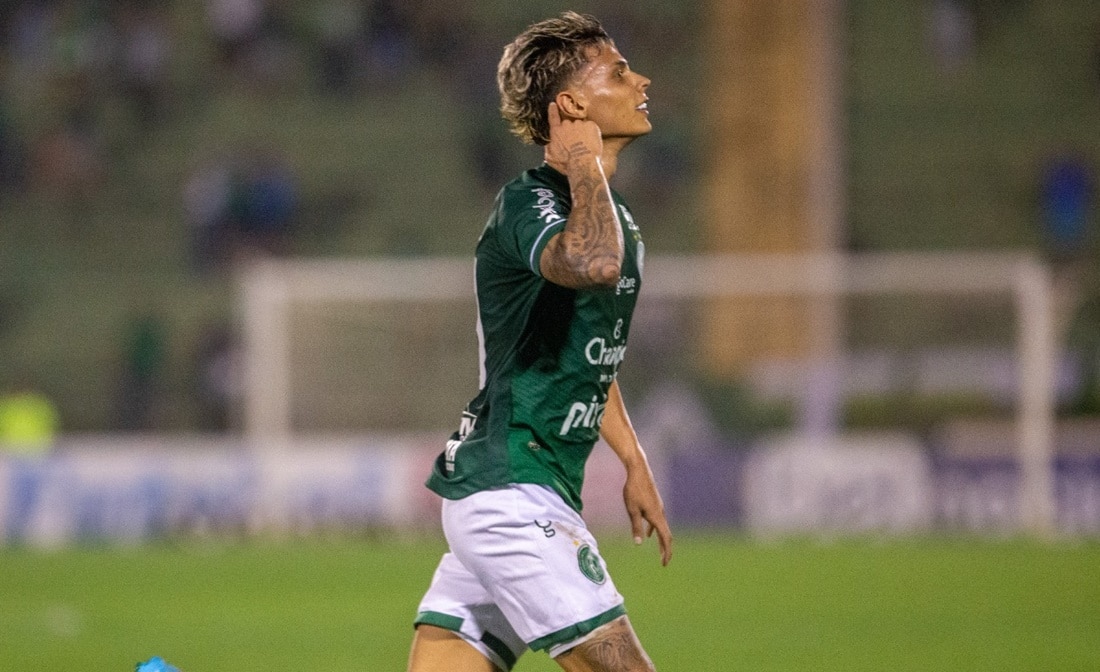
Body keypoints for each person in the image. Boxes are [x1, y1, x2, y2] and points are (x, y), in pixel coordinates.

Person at [407, 12, 672, 672]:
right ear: (571, 105)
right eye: (618, 71)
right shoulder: (531, 204)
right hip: (509, 497)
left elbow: (588, 357)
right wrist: (580, 156)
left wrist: (633, 461)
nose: (640, 81)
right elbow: (592, 262)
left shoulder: (609, 215)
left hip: (526, 492)